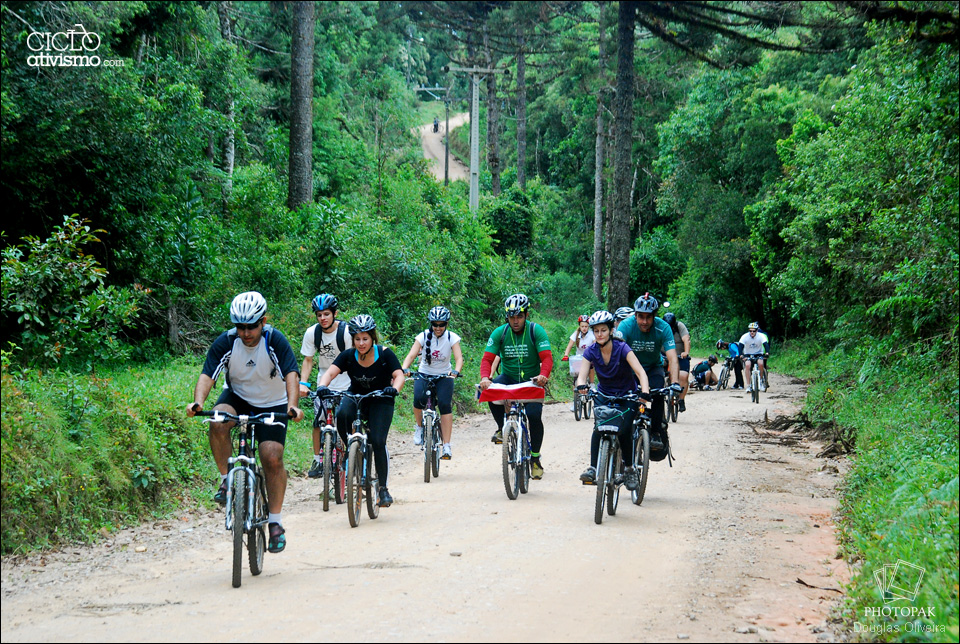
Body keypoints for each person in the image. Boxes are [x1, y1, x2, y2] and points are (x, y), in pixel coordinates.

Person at [186, 291, 304, 554]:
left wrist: (292, 406)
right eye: (240, 327)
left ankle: (275, 523)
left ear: (263, 321)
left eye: (251, 326)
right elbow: (208, 374)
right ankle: (227, 480)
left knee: (271, 456)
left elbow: (291, 374)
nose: (245, 332)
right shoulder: (227, 342)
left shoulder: (275, 340)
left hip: (273, 402)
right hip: (238, 397)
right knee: (217, 422)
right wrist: (198, 403)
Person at [316, 314, 404, 508]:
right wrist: (323, 385)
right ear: (353, 339)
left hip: (381, 399)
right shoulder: (348, 356)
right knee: (342, 414)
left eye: (365, 338)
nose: (361, 343)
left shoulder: (385, 354)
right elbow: (330, 372)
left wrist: (394, 389)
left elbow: (398, 374)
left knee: (378, 441)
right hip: (356, 396)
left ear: (373, 338)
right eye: (357, 339)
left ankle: (383, 489)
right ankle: (351, 448)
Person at [478, 294, 553, 480]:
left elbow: (546, 358)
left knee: (534, 416)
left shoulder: (536, 331)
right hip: (509, 377)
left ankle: (535, 459)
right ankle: (501, 427)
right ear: (507, 317)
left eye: (519, 316)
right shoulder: (500, 333)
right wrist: (485, 377)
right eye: (512, 317)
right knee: (488, 391)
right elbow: (487, 359)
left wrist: (543, 375)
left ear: (526, 314)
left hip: (532, 380)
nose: (516, 321)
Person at [575, 311, 651, 489]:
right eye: (597, 331)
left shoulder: (622, 348)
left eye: (603, 330)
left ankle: (630, 468)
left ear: (611, 331)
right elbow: (582, 375)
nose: (600, 334)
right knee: (598, 427)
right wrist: (581, 386)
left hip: (627, 395)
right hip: (604, 395)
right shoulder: (592, 351)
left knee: (623, 429)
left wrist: (644, 392)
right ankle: (593, 468)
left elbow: (640, 372)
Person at [616, 293, 681, 451]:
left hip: (653, 368)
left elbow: (672, 358)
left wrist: (675, 383)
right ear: (635, 315)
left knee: (659, 392)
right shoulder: (625, 326)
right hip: (630, 370)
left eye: (648, 317)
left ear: (654, 316)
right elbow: (615, 352)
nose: (644, 322)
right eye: (641, 317)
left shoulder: (663, 328)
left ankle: (656, 432)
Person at [298, 294, 352, 479]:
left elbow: (354, 358)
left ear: (335, 313)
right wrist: (303, 384)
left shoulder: (346, 332)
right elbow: (308, 359)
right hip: (324, 382)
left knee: (348, 419)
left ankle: (352, 455)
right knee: (319, 421)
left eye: (327, 314)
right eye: (319, 314)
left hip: (346, 380)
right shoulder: (312, 333)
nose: (323, 318)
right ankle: (318, 459)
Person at [401, 306, 464, 459]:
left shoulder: (451, 338)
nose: (438, 328)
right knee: (418, 400)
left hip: (444, 376)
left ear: (446, 324)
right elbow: (411, 355)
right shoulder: (422, 336)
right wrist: (404, 368)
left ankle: (447, 445)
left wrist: (455, 371)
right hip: (424, 374)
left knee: (444, 405)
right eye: (435, 324)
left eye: (441, 324)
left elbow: (459, 358)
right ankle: (419, 427)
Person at [561, 314, 596, 409]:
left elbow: (595, 345)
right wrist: (566, 355)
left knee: (591, 367)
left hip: (589, 357)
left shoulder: (591, 334)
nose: (584, 328)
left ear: (588, 326)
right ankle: (575, 402)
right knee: (575, 379)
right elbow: (569, 346)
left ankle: (592, 384)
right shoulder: (576, 334)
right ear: (579, 326)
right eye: (582, 326)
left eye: (586, 326)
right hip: (579, 358)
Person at [663, 312, 691, 412]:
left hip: (680, 356)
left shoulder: (680, 326)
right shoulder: (660, 328)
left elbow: (686, 339)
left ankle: (681, 399)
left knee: (683, 376)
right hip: (664, 355)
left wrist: (686, 352)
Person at [738, 322, 770, 392]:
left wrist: (767, 352)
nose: (752, 332)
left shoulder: (761, 336)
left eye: (753, 331)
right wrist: (741, 355)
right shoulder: (744, 336)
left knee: (761, 364)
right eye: (750, 331)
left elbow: (765, 344)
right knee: (747, 365)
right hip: (748, 353)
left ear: (757, 330)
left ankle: (761, 382)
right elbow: (740, 346)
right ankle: (748, 386)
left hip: (758, 353)